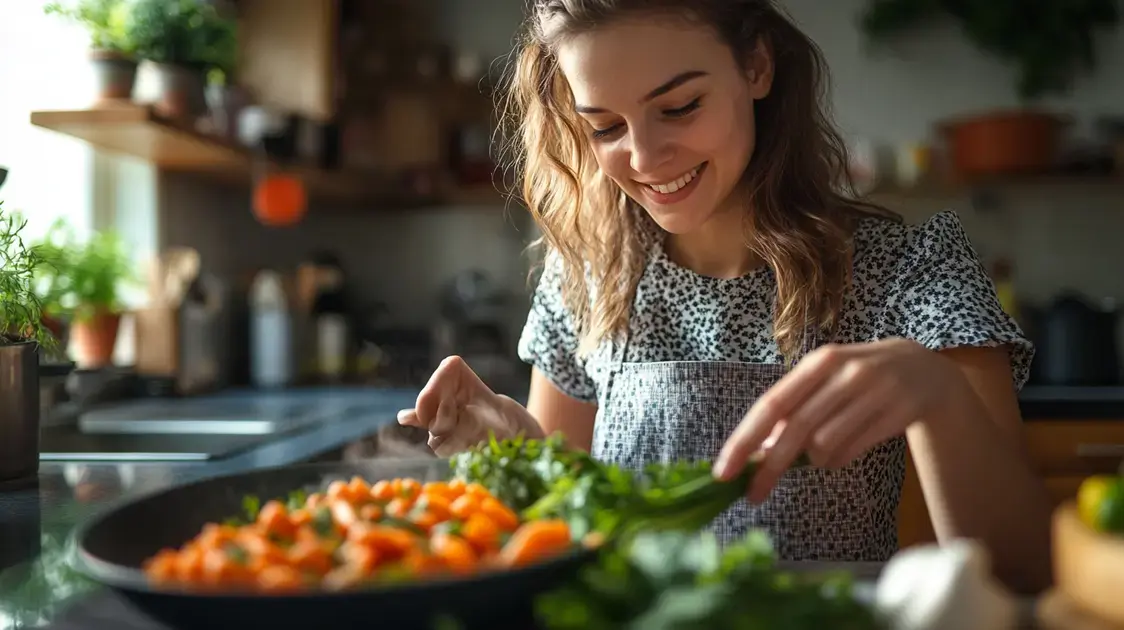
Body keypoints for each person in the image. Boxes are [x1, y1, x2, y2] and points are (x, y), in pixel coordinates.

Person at [398, 0, 1053, 593]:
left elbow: (1022, 574)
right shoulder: (585, 281)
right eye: (604, 127)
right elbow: (566, 548)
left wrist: (937, 396)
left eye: (679, 107)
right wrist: (516, 460)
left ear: (757, 66)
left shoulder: (910, 270)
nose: (646, 157)